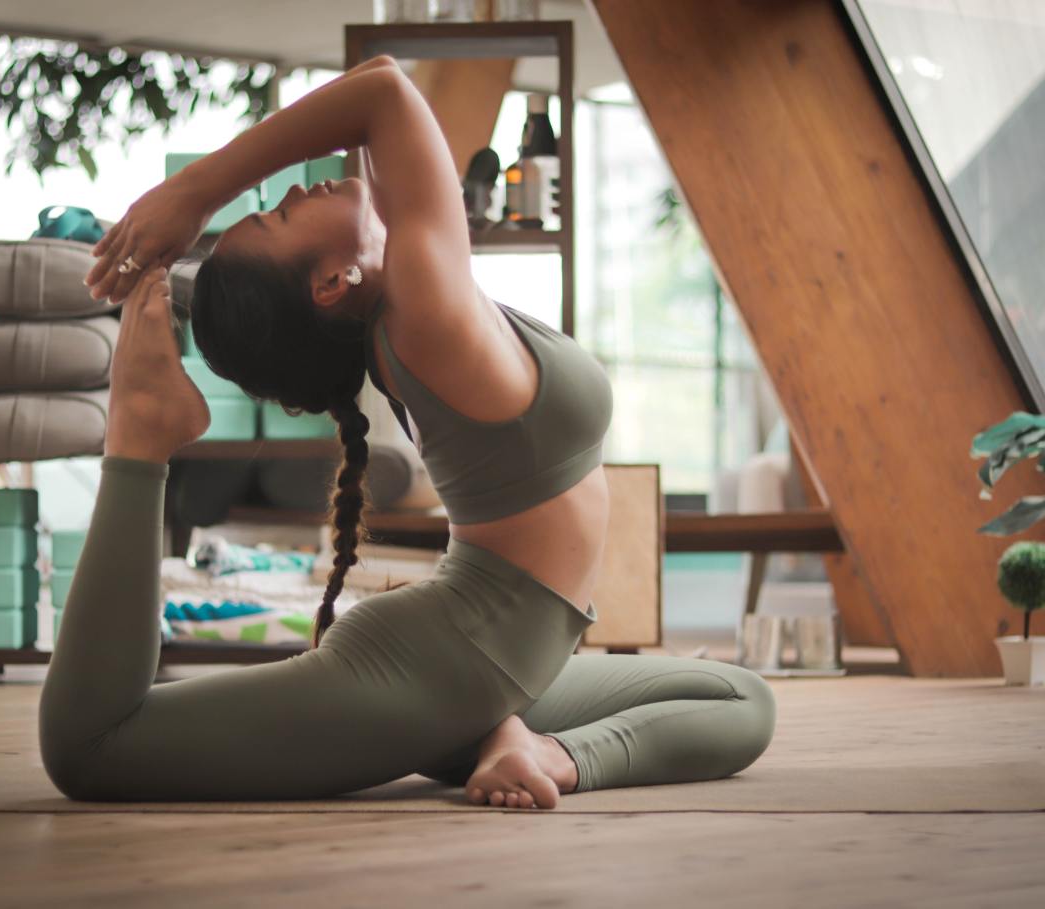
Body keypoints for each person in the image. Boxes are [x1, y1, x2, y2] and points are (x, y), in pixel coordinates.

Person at [39, 56, 775, 809]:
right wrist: (192, 194)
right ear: (331, 285)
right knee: (92, 748)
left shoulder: (407, 307)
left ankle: (526, 745)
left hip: (489, 664)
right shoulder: (425, 314)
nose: (295, 189)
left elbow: (376, 127)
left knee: (741, 699)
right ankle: (139, 428)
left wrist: (176, 255)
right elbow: (385, 89)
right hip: (436, 665)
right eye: (282, 217)